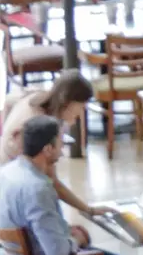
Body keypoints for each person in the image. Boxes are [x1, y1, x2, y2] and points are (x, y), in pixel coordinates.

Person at [0, 116, 133, 255]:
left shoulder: (7, 173)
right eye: (61, 144)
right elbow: (58, 253)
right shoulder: (37, 188)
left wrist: (66, 234)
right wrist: (76, 239)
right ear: (48, 149)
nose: (63, 151)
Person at [0, 71, 107, 218]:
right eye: (81, 107)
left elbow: (8, 101)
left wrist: (6, 135)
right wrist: (88, 209)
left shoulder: (35, 96)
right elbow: (53, 182)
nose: (80, 113)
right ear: (68, 103)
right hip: (12, 188)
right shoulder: (42, 127)